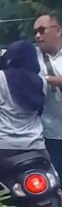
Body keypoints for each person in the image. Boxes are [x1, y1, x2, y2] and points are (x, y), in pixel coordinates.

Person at [0, 40, 48, 191]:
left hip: (0, 146)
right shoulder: (42, 82)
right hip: (35, 146)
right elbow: (39, 110)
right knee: (53, 183)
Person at [33, 13, 62, 172]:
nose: (38, 36)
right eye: (35, 32)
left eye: (42, 30)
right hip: (48, 135)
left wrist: (46, 79)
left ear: (57, 31)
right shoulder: (32, 58)